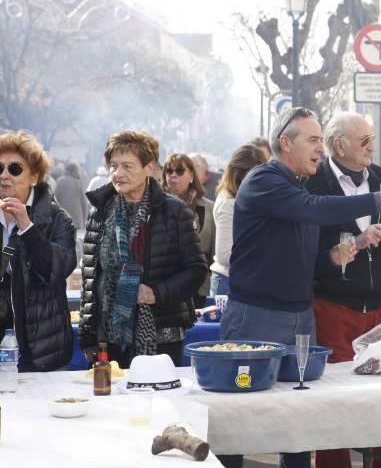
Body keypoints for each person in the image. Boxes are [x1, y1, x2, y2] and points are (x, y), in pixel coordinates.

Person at [219, 106, 381, 468]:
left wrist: (344, 251)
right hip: (256, 319)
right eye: (313, 140)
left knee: (298, 418)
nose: (320, 149)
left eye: (321, 139)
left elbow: (311, 257)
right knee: (238, 416)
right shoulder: (265, 180)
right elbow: (313, 210)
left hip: (298, 317)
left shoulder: (298, 185)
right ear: (286, 143)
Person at [305, 112, 381, 468]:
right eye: (363, 140)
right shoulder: (315, 182)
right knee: (334, 396)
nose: (371, 146)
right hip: (335, 306)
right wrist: (352, 243)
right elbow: (311, 248)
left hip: (379, 306)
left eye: (371, 139)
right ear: (340, 145)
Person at [79, 130, 206, 369]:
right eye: (113, 166)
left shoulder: (174, 211)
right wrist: (87, 334)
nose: (118, 173)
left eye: (127, 166)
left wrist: (156, 293)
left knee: (157, 403)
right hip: (108, 336)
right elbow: (90, 276)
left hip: (160, 334)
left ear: (149, 168)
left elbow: (196, 270)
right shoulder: (100, 211)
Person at [0, 130, 76, 372]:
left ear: (34, 176)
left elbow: (55, 271)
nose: (4, 176)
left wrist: (27, 227)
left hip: (42, 349)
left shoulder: (57, 219)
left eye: (14, 169)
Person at [209, 144, 268, 297]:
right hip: (228, 281)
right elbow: (224, 254)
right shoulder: (228, 203)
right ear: (238, 174)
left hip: (245, 279)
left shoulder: (247, 197)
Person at [161, 153, 215, 309]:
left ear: (191, 175)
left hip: (198, 288)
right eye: (169, 171)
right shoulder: (157, 206)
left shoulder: (208, 208)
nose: (173, 175)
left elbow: (212, 252)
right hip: (165, 287)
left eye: (179, 171)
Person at [54, 162, 89, 261]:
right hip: (76, 219)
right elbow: (84, 203)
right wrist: (84, 219)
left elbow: (54, 200)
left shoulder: (60, 181)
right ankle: (71, 261)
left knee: (61, 240)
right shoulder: (79, 183)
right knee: (72, 240)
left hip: (62, 217)